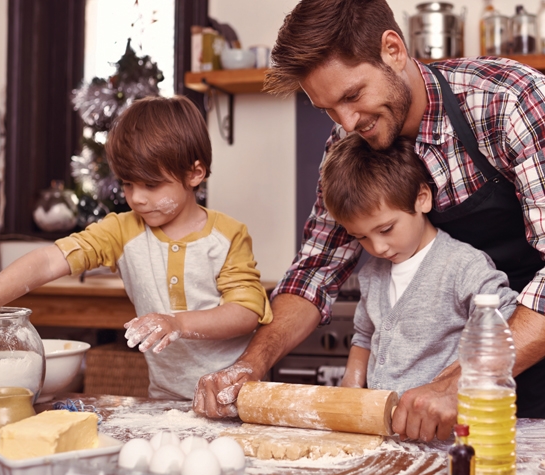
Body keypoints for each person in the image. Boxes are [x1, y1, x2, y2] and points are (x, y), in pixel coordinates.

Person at [193, 0, 545, 442]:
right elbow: (314, 274)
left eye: (352, 96)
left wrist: (458, 383)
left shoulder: (506, 102)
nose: (346, 122)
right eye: (327, 109)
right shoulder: (350, 141)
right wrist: (252, 364)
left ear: (393, 50)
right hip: (439, 394)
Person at [0, 95, 272, 401]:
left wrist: (178, 323)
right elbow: (47, 261)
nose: (136, 198)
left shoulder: (228, 236)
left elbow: (245, 313)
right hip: (165, 399)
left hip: (236, 395)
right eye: (127, 183)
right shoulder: (123, 231)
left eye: (151, 185)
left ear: (195, 173)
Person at [321, 133, 518, 395]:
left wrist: (454, 385)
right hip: (385, 425)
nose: (377, 248)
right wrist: (351, 389)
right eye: (361, 237)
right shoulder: (372, 275)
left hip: (446, 427)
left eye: (387, 229)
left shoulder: (463, 266)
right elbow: (364, 336)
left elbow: (505, 324)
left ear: (422, 198)